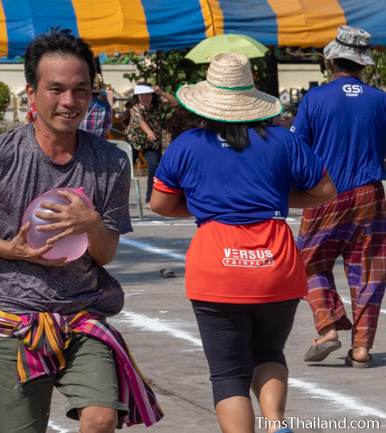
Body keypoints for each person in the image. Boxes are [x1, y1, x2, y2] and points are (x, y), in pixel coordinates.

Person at [0, 29, 162, 433]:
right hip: (16, 321)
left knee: (102, 417)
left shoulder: (109, 162)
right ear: (32, 94)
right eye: (56, 89)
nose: (69, 102)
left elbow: (105, 255)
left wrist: (90, 224)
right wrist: (10, 250)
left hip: (83, 317)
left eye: (80, 90)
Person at [150, 53, 336, 433]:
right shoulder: (284, 141)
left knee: (228, 372)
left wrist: (208, 206)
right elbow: (324, 191)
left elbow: (160, 204)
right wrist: (275, 198)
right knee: (269, 352)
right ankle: (275, 422)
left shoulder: (187, 145)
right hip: (276, 260)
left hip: (216, 263)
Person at [291, 26, 386, 368]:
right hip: (369, 195)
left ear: (331, 60)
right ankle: (361, 347)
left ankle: (328, 325)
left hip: (323, 193)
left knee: (308, 261)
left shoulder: (315, 99)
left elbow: (297, 150)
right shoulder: (380, 100)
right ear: (364, 64)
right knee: (369, 270)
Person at [125, 82, 177, 204]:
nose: (145, 98)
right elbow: (140, 121)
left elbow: (175, 102)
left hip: (152, 142)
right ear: (137, 96)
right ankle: (120, 196)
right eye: (141, 95)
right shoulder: (135, 107)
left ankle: (150, 198)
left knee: (154, 165)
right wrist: (149, 132)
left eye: (147, 94)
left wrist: (161, 92)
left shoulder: (157, 104)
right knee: (126, 168)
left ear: (152, 95)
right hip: (135, 140)